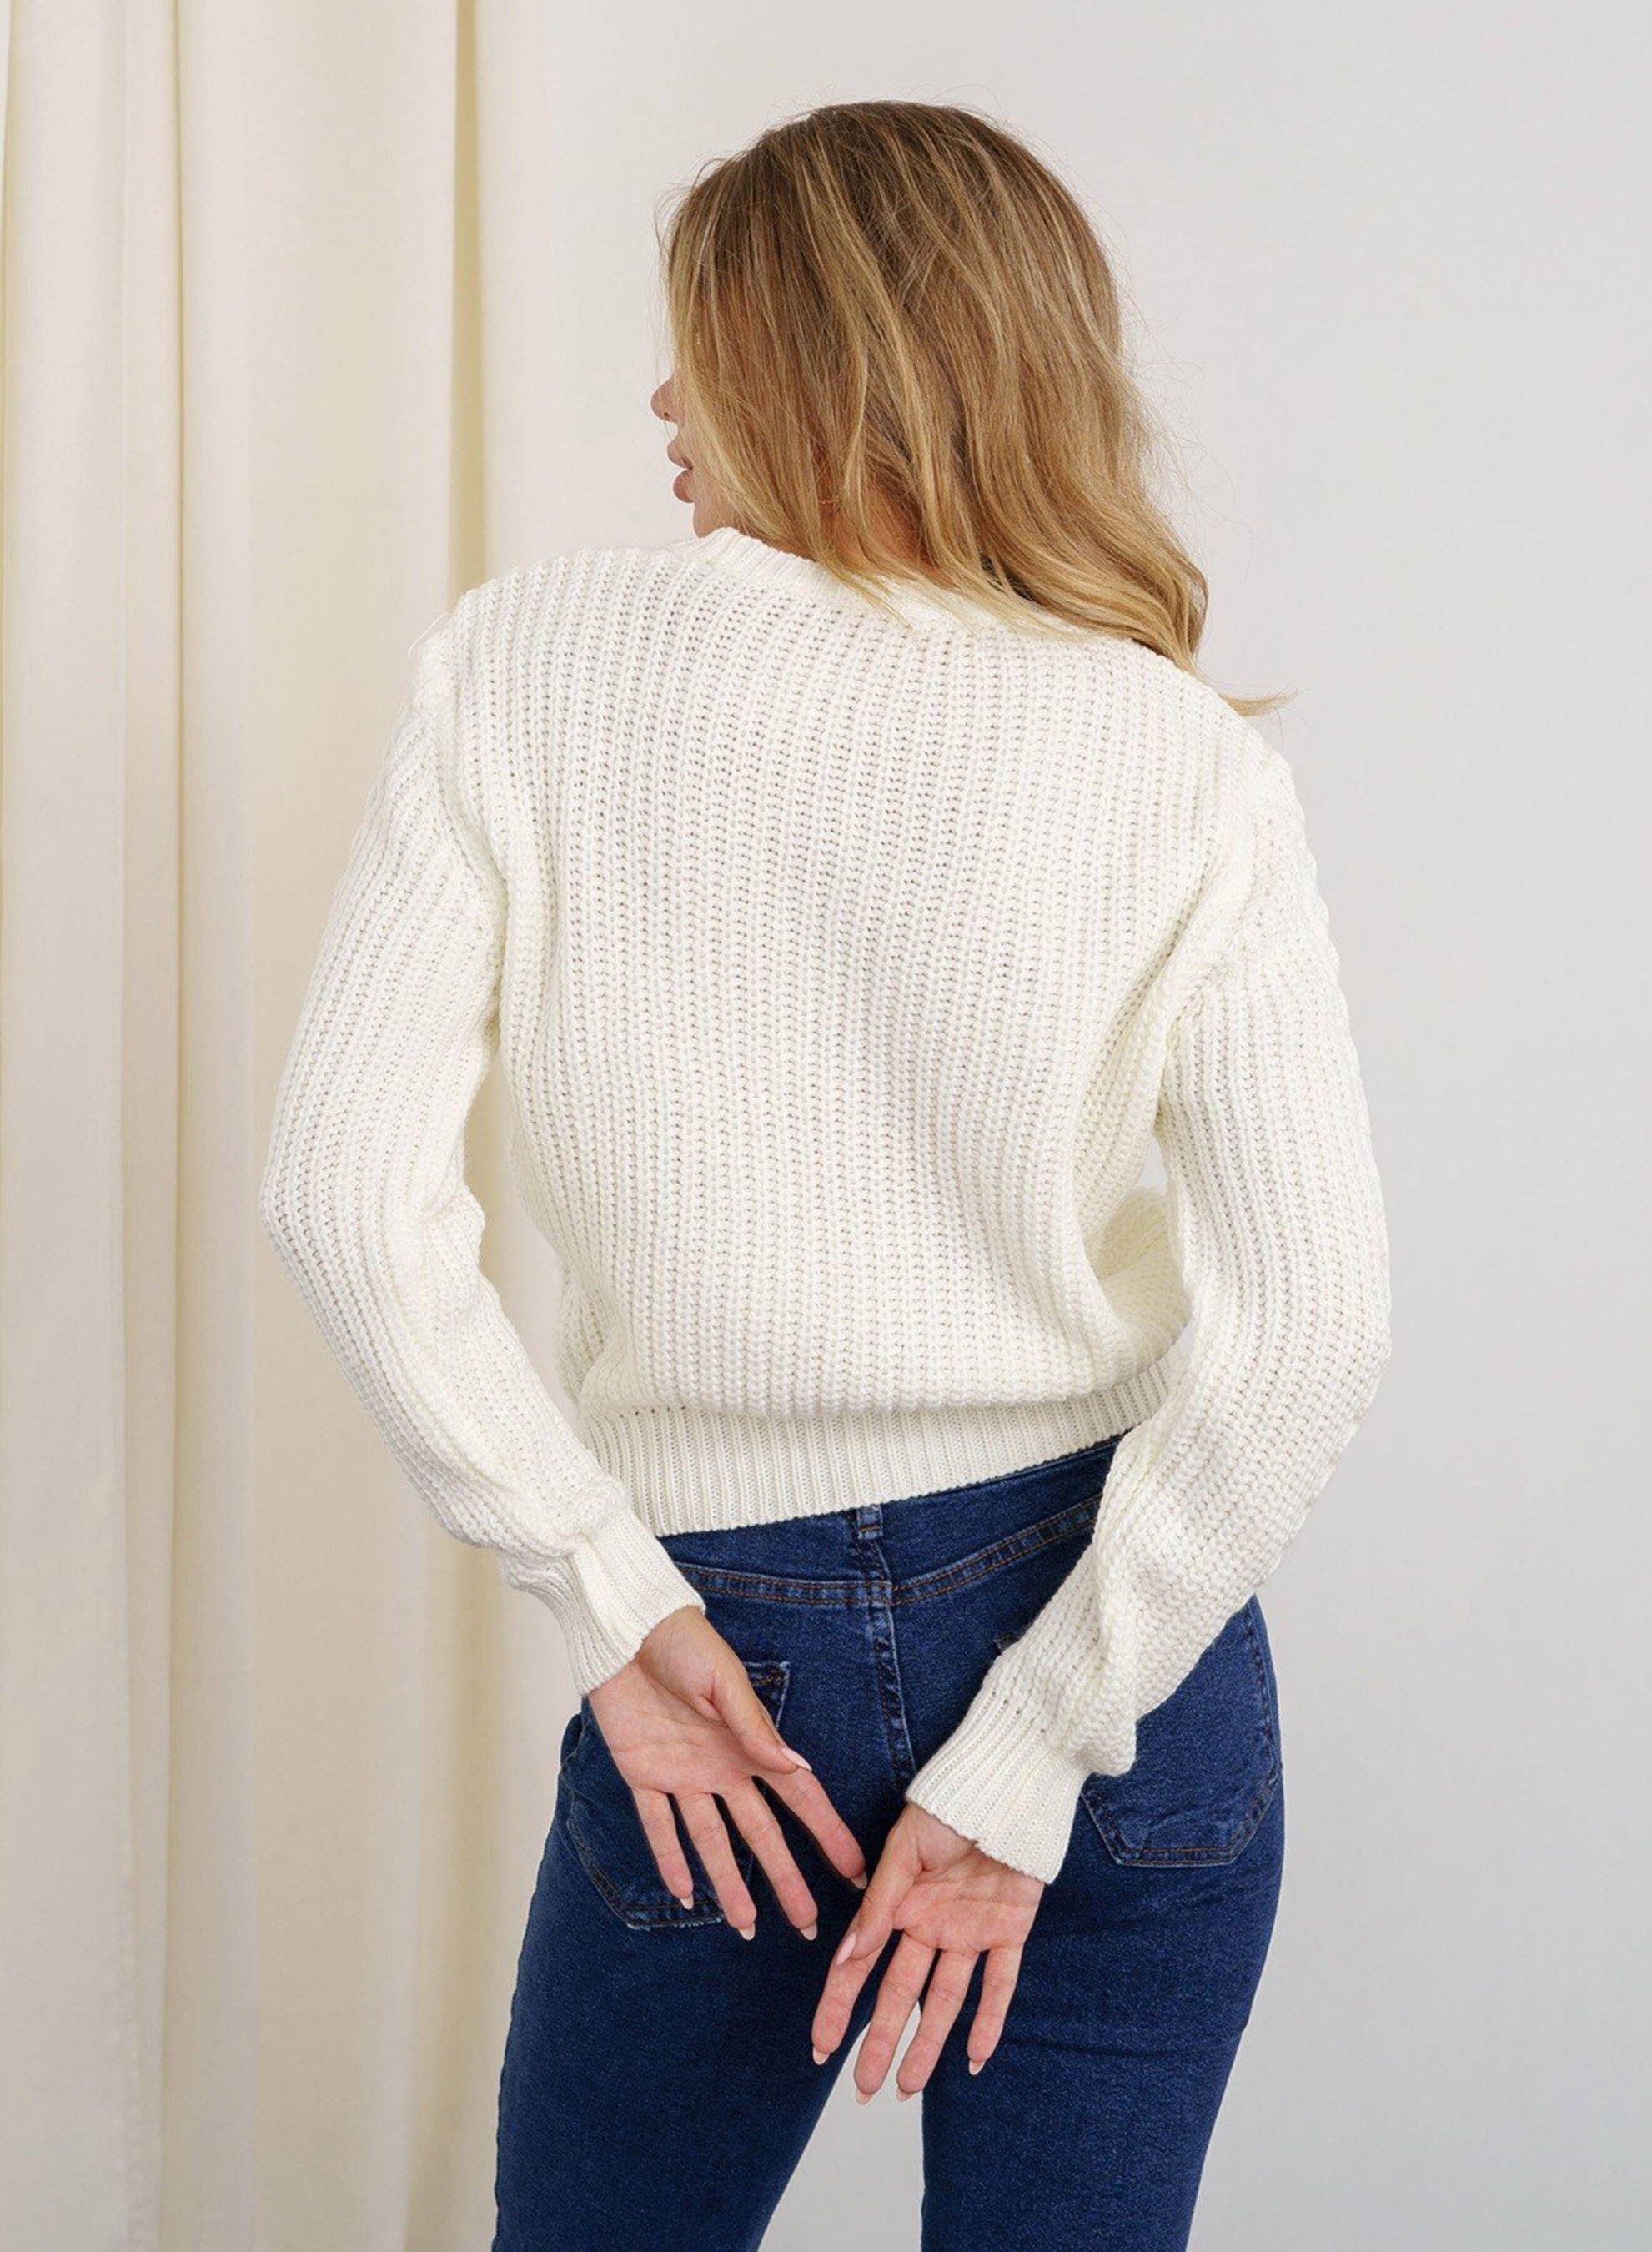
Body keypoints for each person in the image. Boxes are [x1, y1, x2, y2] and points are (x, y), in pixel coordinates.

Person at [259, 98, 1392, 2252]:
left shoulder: (529, 667)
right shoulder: (1177, 759)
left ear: (813, 359)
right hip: (1113, 1622)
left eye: (694, 346)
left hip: (727, 1655)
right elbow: (1311, 1321)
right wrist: (1038, 1737)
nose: (660, 403)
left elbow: (338, 1188)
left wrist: (603, 1597)